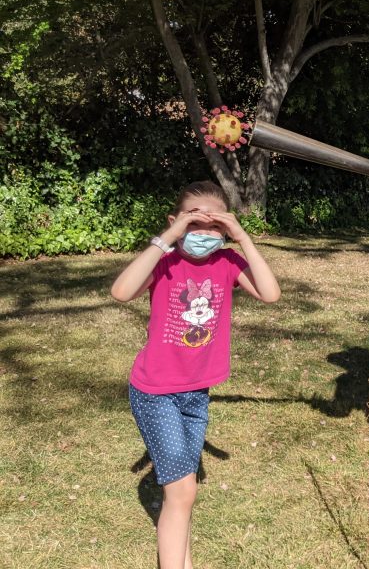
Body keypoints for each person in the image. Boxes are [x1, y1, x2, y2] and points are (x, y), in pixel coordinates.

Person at [111, 180, 280, 569]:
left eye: (215, 225)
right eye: (194, 223)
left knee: (181, 492)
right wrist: (167, 238)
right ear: (175, 221)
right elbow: (121, 291)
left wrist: (242, 237)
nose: (205, 232)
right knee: (184, 490)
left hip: (196, 392)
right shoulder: (165, 261)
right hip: (155, 391)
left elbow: (270, 294)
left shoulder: (228, 263)